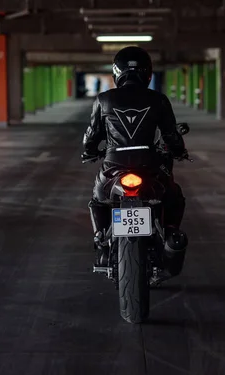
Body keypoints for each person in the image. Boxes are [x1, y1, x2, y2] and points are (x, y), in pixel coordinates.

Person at [81, 46, 188, 263]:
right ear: (147, 73)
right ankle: (170, 233)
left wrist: (90, 152)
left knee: (98, 200)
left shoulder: (104, 99)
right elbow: (171, 135)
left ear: (116, 72)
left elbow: (92, 136)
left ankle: (100, 237)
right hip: (150, 165)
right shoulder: (158, 99)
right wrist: (179, 151)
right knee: (174, 196)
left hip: (113, 165)